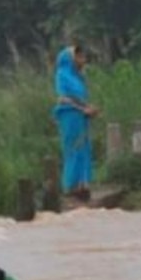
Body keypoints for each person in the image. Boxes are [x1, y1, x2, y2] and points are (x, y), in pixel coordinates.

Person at [53, 45, 98, 202]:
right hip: (70, 115)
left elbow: (81, 96)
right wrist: (82, 108)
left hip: (81, 116)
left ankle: (82, 184)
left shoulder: (79, 77)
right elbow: (65, 97)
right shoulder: (62, 74)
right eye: (78, 57)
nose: (82, 60)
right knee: (73, 147)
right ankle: (71, 185)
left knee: (85, 147)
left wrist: (88, 108)